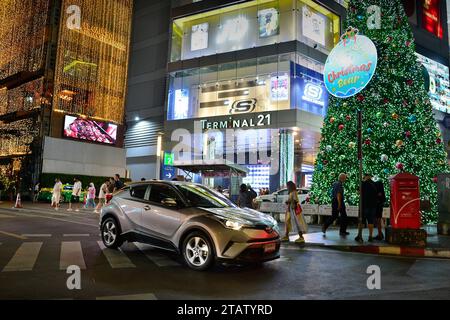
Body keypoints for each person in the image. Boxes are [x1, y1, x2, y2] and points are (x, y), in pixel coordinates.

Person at [355, 173, 378, 243]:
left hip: (364, 205)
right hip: (373, 206)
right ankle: (370, 236)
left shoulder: (362, 183)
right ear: (370, 177)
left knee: (361, 221)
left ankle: (359, 235)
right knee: (370, 221)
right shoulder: (375, 184)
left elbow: (358, 192)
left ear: (365, 177)